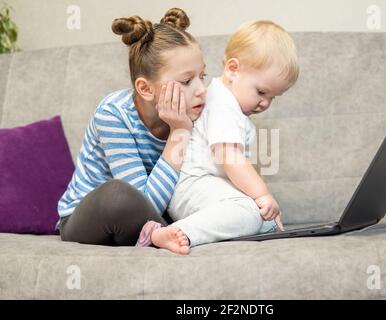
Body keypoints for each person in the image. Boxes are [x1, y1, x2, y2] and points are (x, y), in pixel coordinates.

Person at [57, 8, 206, 254]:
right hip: (89, 219)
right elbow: (145, 202)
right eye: (187, 81)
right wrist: (179, 132)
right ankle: (161, 233)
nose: (201, 89)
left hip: (148, 220)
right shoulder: (113, 114)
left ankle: (163, 234)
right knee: (118, 195)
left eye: (203, 75)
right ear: (146, 89)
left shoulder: (195, 108)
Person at [149, 20, 300, 254]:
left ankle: (236, 222)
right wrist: (262, 194)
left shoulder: (225, 102)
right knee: (250, 210)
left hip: (207, 185)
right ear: (232, 69)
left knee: (265, 219)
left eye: (273, 97)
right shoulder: (222, 105)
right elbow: (230, 157)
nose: (265, 104)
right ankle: (179, 232)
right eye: (261, 92)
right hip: (192, 186)